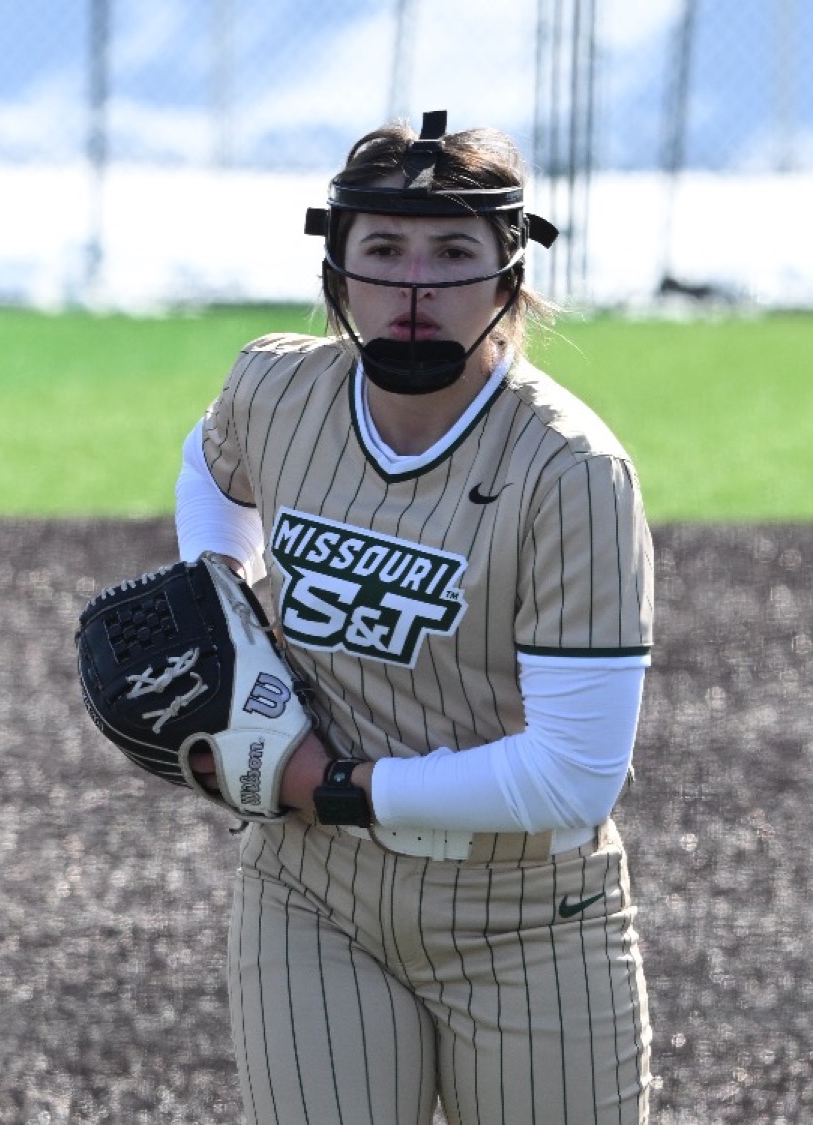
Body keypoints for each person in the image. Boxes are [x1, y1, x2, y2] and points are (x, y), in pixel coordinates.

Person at [173, 109, 656, 1125]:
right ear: (337, 273)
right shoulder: (276, 388)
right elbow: (207, 463)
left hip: (523, 912)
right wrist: (218, 604)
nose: (415, 287)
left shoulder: (570, 472)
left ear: (507, 277)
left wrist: (329, 783)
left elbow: (573, 774)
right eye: (383, 251)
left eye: (451, 253)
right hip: (312, 889)